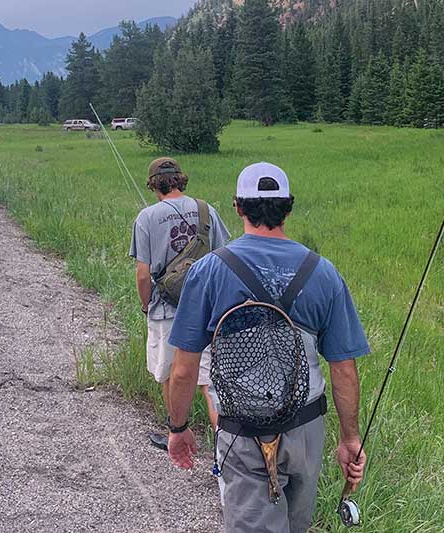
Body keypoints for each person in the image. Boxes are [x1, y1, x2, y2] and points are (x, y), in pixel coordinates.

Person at [164, 162, 370, 532]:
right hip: (306, 428)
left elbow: (184, 368)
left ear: (238, 207)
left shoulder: (208, 270)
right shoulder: (323, 272)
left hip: (241, 432)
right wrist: (350, 438)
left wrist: (178, 427)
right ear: (287, 208)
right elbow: (344, 369)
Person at [130, 157, 231, 451]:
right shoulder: (206, 210)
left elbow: (142, 273)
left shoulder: (146, 218)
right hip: (207, 310)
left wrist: (146, 304)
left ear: (154, 184)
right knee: (209, 381)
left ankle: (176, 430)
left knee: (171, 373)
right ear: (179, 179)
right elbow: (224, 258)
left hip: (165, 309)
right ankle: (226, 446)